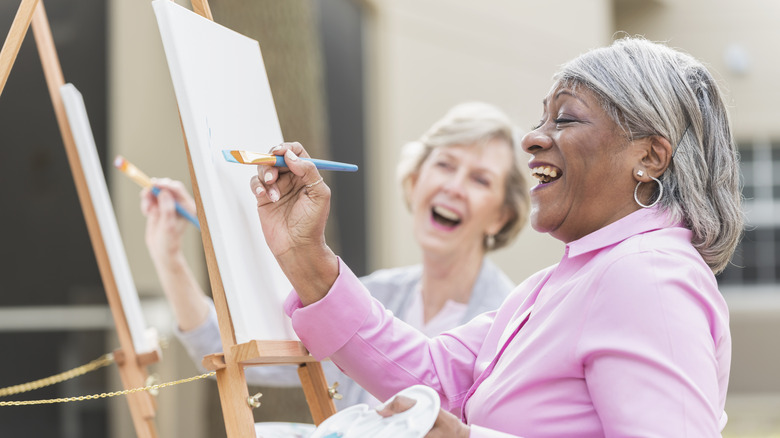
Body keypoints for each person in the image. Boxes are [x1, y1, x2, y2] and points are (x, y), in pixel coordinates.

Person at [250, 36, 743, 437]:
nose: (532, 138)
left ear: (649, 157)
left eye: (566, 118)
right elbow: (435, 377)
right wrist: (304, 254)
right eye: (542, 118)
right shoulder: (559, 282)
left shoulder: (646, 276)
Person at [140, 102, 530, 409]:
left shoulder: (510, 323)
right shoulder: (371, 296)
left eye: (480, 179)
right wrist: (169, 258)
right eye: (444, 165)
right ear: (415, 180)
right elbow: (227, 348)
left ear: (502, 215)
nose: (454, 187)